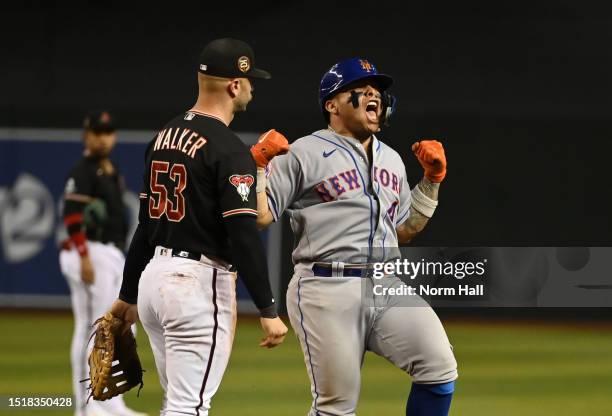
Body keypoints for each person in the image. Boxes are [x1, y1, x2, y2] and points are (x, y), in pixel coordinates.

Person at [255, 58, 458, 415]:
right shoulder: (304, 152)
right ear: (331, 104)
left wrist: (431, 181)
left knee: (439, 371)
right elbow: (261, 215)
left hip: (385, 283)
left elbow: (404, 231)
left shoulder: (392, 159)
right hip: (325, 287)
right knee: (336, 407)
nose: (373, 95)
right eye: (359, 89)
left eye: (376, 90)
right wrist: (258, 167)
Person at [106, 38, 289, 416]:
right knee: (189, 408)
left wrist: (127, 295)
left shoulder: (162, 138)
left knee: (177, 404)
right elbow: (242, 233)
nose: (253, 87)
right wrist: (268, 308)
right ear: (234, 85)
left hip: (153, 281)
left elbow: (145, 226)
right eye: (250, 80)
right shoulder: (228, 148)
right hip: (195, 285)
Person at [59, 111, 146, 416]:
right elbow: (71, 217)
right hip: (90, 252)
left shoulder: (108, 170)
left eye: (108, 132)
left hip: (107, 252)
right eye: (98, 133)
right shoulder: (83, 171)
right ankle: (89, 407)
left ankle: (110, 405)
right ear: (87, 136)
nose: (103, 138)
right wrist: (83, 256)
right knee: (94, 327)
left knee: (107, 326)